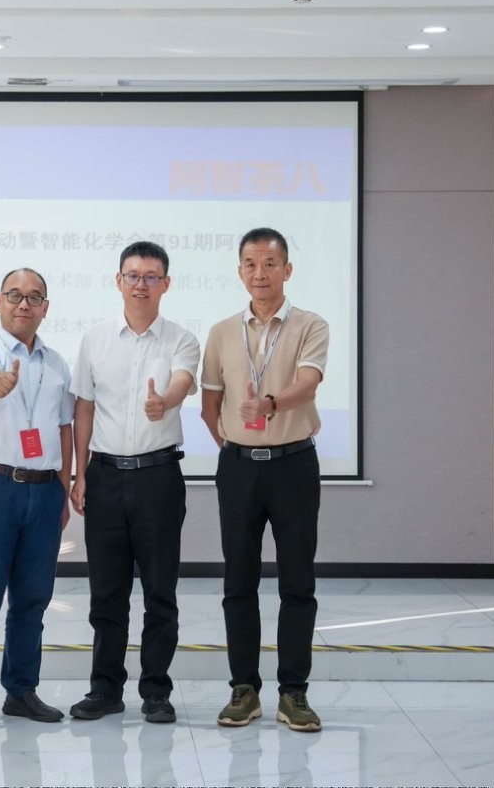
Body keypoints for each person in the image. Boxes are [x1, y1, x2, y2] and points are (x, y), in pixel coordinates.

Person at [200, 227, 329, 733]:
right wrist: (236, 446)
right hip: (238, 467)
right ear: (240, 272)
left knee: (298, 581)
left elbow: (309, 383)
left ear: (287, 270)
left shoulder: (310, 325)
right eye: (251, 264)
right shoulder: (220, 333)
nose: (260, 273)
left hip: (293, 464)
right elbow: (211, 405)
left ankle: (294, 693)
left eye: (270, 263)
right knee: (239, 581)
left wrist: (269, 406)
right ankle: (244, 689)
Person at [67, 241, 200, 724]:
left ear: (166, 283)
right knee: (107, 593)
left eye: (151, 276)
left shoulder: (182, 339)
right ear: (118, 280)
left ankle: (156, 691)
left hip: (158, 478)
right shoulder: (95, 339)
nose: (141, 284)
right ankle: (104, 689)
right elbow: (84, 408)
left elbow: (183, 380)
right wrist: (80, 473)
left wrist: (165, 401)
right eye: (133, 275)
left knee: (160, 591)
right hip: (104, 477)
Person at [0, 267, 74, 731]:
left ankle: (21, 692)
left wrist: (63, 489)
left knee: (32, 600)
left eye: (34, 297)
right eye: (14, 295)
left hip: (44, 491)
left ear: (46, 307)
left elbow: (64, 429)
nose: (24, 303)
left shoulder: (57, 364)